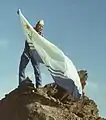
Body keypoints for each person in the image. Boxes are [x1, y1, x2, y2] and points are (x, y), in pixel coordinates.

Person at [18, 19, 44, 88]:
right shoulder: (31, 30)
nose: (40, 28)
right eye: (39, 26)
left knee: (37, 70)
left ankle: (39, 86)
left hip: (35, 54)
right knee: (22, 68)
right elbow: (25, 26)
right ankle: (21, 83)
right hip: (27, 52)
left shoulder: (41, 36)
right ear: (37, 25)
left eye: (42, 27)